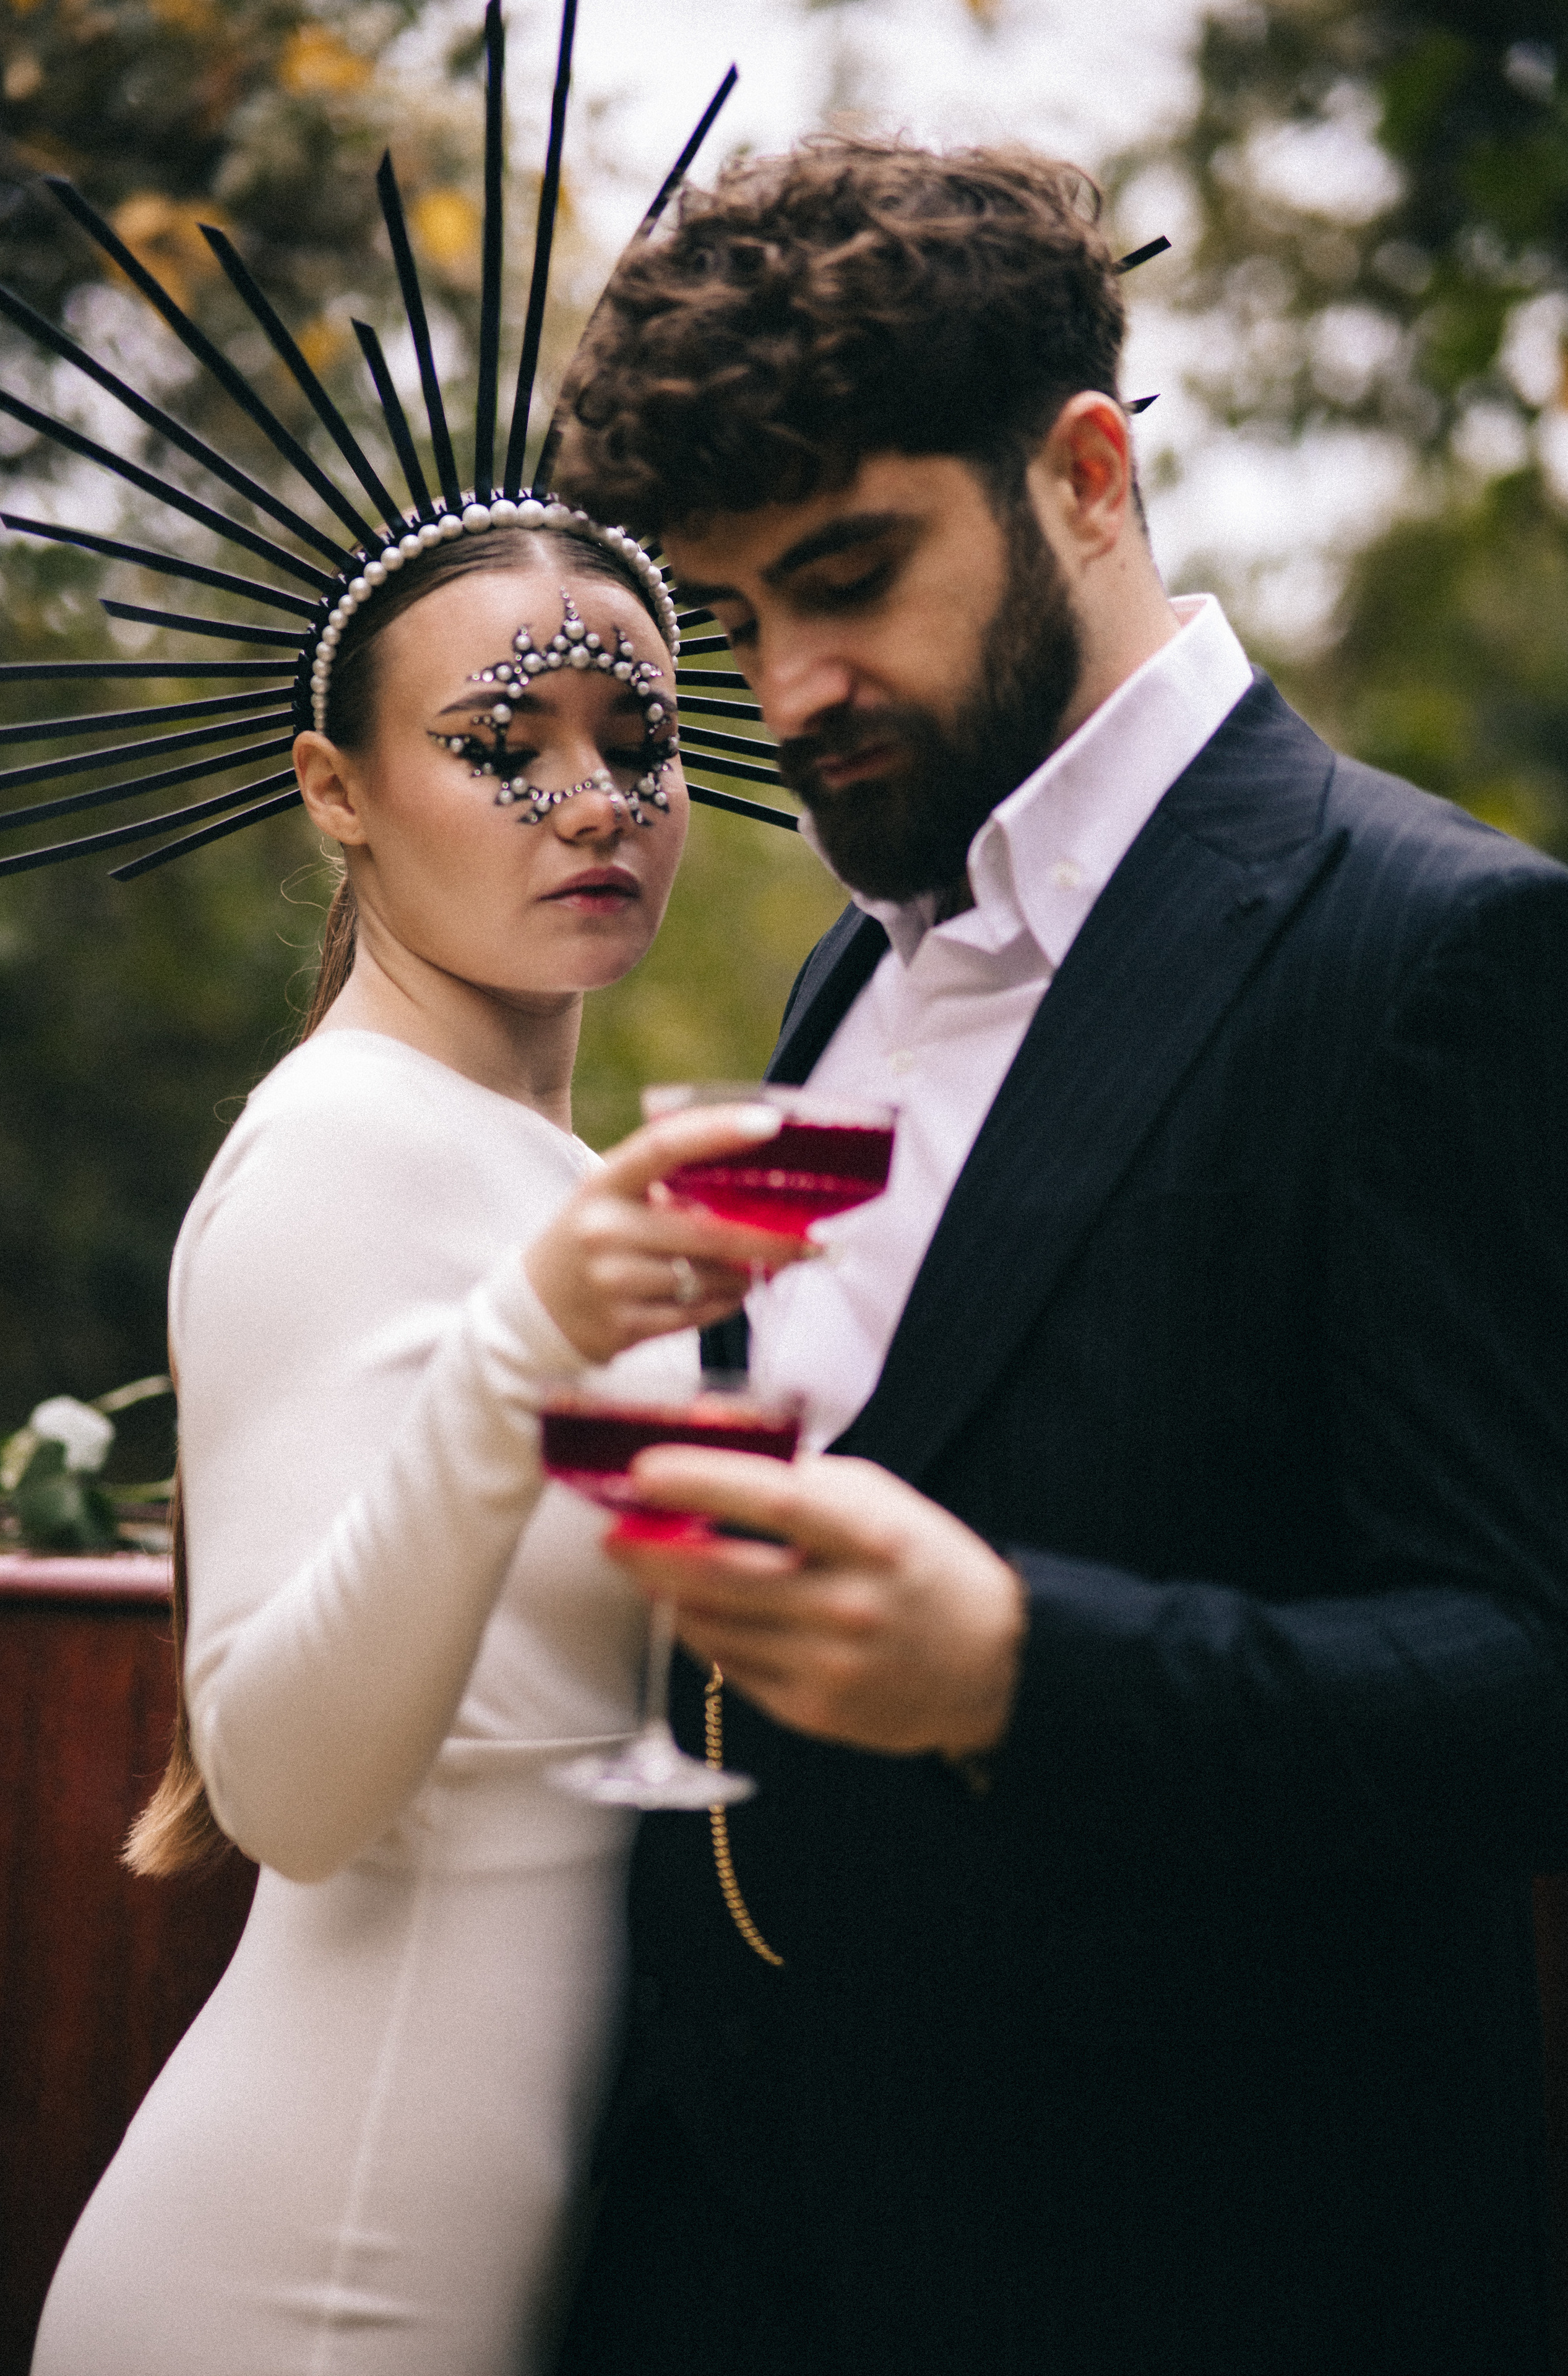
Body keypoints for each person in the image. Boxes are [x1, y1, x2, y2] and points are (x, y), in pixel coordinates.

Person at [549, 139, 1568, 2375]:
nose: (791, 687)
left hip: (1209, 2278)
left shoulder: (1443, 951)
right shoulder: (851, 973)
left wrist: (1025, 1667)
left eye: (849, 573)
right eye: (734, 615)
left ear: (1088, 475)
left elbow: (1530, 1687)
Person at [29, 519, 803, 2376]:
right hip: (310, 2286)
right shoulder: (343, 1149)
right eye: (500, 746)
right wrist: (522, 1347)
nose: (593, 801)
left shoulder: (526, 1164)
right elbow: (283, 1790)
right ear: (335, 792)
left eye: (641, 738)